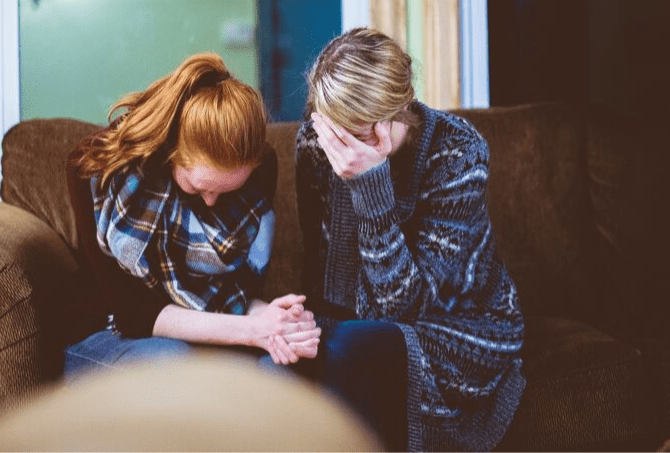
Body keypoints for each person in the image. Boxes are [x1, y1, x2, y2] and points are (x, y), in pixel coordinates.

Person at [294, 28, 526, 451]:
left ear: (398, 111)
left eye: (357, 135)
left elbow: (402, 310)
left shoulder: (457, 151)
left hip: (461, 326)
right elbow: (323, 271)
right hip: (358, 324)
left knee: (352, 348)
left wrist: (372, 186)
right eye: (335, 130)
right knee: (297, 355)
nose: (342, 150)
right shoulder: (317, 142)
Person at [64, 53, 320, 380]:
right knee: (175, 364)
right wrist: (252, 331)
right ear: (171, 153)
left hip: (210, 328)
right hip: (110, 330)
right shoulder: (97, 169)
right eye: (199, 188)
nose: (212, 203)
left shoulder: (260, 170)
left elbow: (239, 291)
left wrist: (274, 320)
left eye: (226, 191)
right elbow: (134, 314)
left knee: (284, 370)